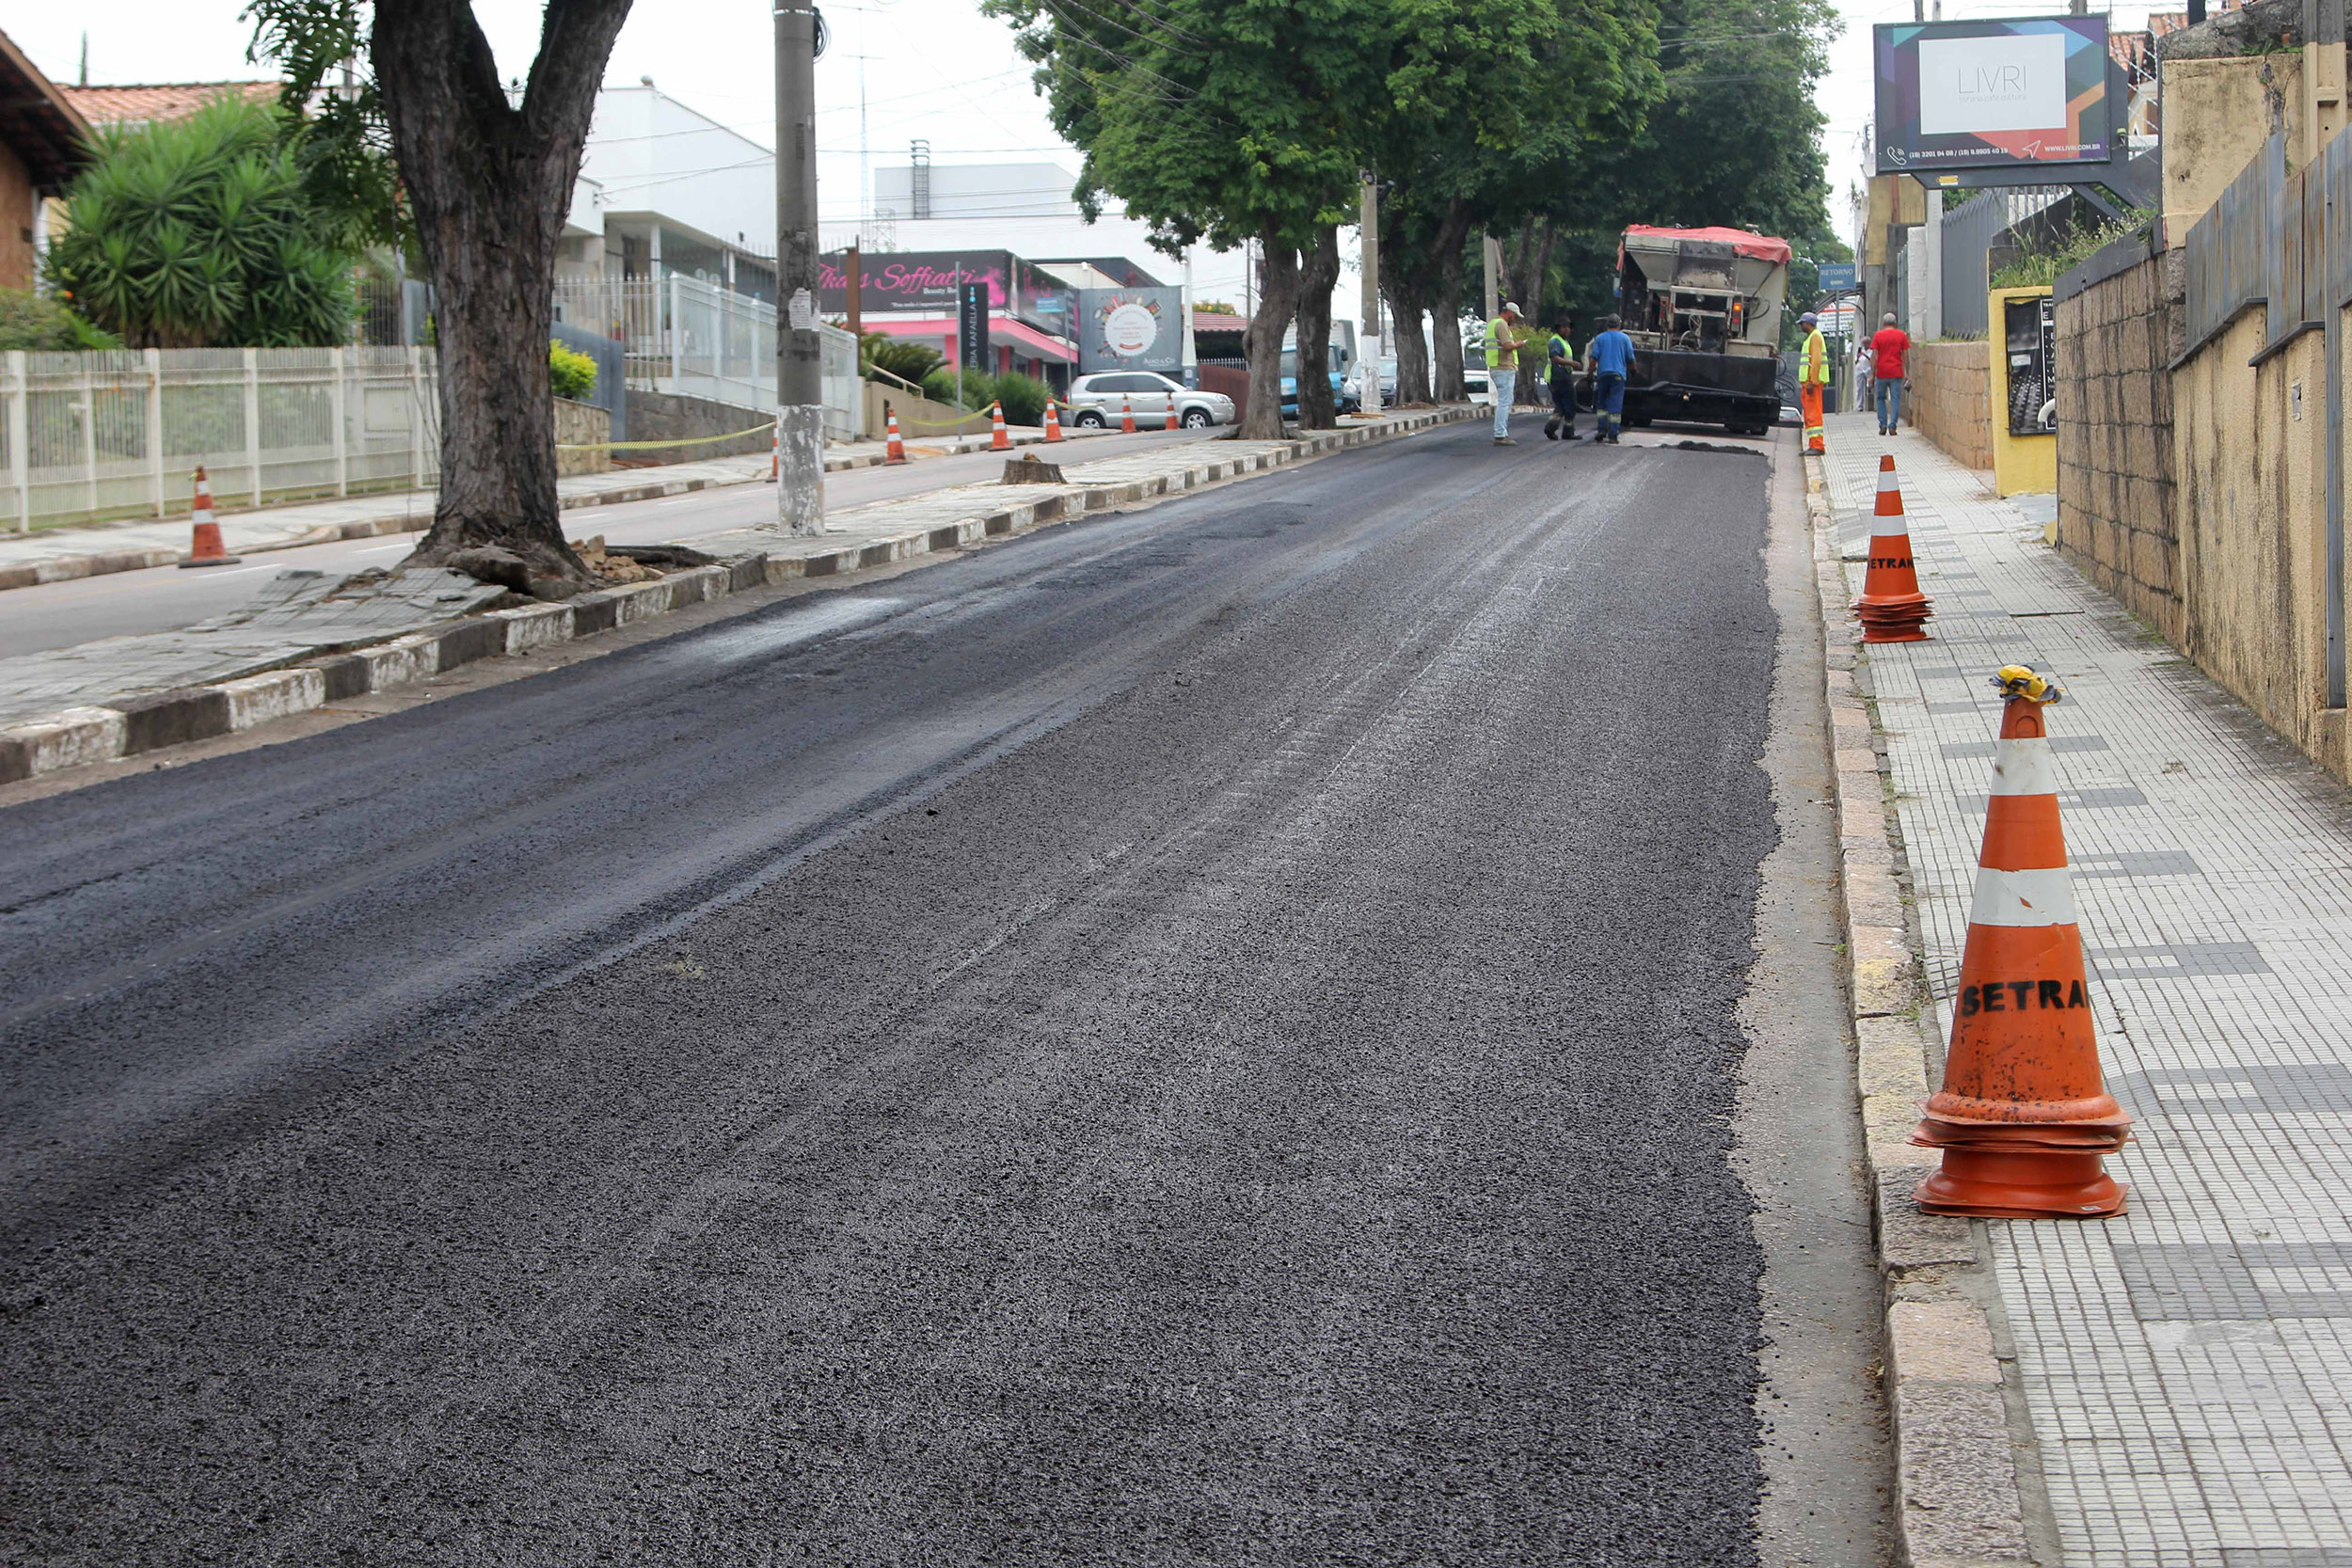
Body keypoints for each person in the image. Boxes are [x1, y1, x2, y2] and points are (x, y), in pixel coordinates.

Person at [1484, 300, 1532, 445]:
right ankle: (1500, 434)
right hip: (1503, 367)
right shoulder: (1501, 325)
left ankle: (1501, 432)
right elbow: (1507, 346)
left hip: (1496, 366)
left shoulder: (1492, 323)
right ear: (1509, 313)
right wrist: (1520, 344)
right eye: (1514, 316)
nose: (1515, 319)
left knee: (1505, 401)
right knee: (1505, 402)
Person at [1584, 314, 1634, 445]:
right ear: (1620, 324)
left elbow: (1593, 359)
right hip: (1618, 376)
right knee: (1615, 405)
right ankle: (1613, 435)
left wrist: (1590, 375)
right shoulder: (1625, 339)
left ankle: (1602, 429)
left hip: (1603, 375)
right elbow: (1631, 359)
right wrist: (1633, 371)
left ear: (1607, 325)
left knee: (1602, 404)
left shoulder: (1600, 338)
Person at [1869, 311, 1912, 436]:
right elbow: (1905, 355)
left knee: (1880, 398)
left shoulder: (1878, 335)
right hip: (1896, 372)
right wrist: (1907, 373)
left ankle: (1883, 425)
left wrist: (1872, 374)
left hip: (1881, 372)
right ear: (1895, 323)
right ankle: (1892, 425)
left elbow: (1874, 356)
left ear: (1883, 323)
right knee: (1895, 399)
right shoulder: (1901, 335)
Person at [1797, 310, 1830, 454]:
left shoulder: (1815, 337)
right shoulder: (1813, 337)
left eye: (1802, 323)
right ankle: (1813, 445)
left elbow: (1815, 361)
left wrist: (1812, 381)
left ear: (1808, 324)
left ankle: (1817, 446)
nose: (1800, 326)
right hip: (1809, 383)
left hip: (1812, 384)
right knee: (1809, 414)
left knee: (1814, 414)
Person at [1543, 314, 1579, 441]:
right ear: (1558, 328)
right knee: (1570, 404)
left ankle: (1551, 427)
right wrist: (1572, 364)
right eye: (1564, 327)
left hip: (1561, 376)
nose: (1567, 329)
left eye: (1568, 327)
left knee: (1561, 406)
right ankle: (1567, 431)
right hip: (1559, 376)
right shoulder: (1556, 341)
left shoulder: (1564, 342)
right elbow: (1555, 358)